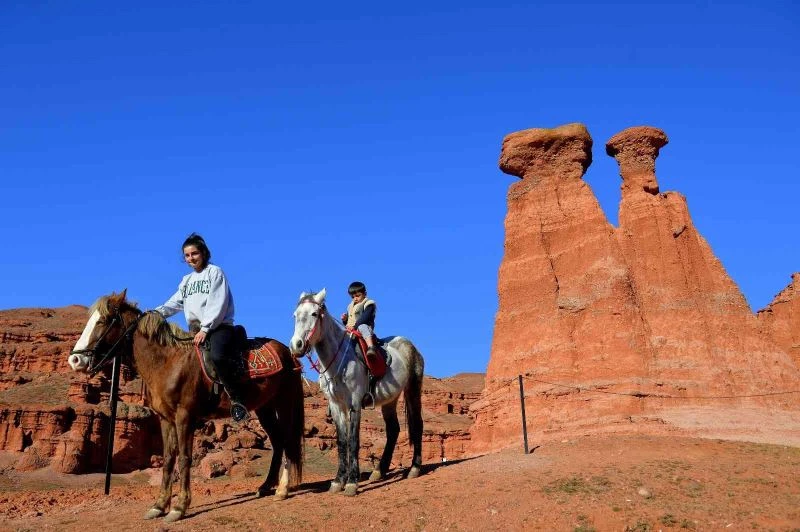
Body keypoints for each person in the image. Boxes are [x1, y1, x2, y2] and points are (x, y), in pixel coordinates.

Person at [153, 233, 248, 422]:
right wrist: (156, 313)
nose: (191, 258)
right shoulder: (186, 281)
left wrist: (206, 328)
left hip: (218, 327)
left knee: (217, 356)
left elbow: (218, 302)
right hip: (195, 331)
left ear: (203, 253)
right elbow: (175, 303)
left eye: (194, 253)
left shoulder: (215, 272)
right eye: (187, 255)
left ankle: (237, 400)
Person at [340, 281, 379, 407]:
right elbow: (349, 322)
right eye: (353, 297)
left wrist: (355, 326)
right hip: (351, 333)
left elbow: (365, 318)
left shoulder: (369, 303)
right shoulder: (350, 306)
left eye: (358, 295)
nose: (355, 298)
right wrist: (345, 320)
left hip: (363, 331)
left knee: (362, 326)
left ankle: (371, 347)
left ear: (364, 293)